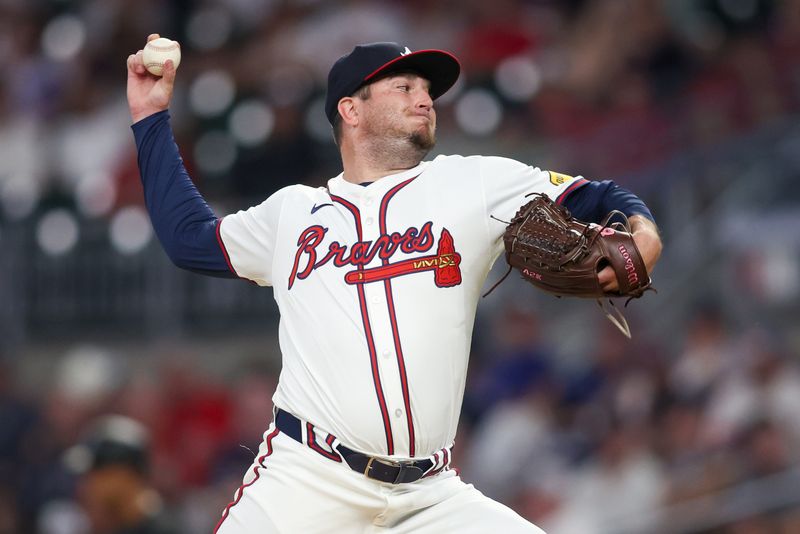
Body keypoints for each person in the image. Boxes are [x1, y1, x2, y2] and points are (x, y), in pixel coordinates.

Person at [126, 34, 662, 533]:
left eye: (427, 90)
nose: (424, 98)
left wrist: (642, 228)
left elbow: (596, 195)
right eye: (403, 87)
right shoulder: (291, 214)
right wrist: (150, 117)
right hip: (308, 479)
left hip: (430, 494)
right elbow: (187, 236)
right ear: (350, 110)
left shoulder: (473, 182)